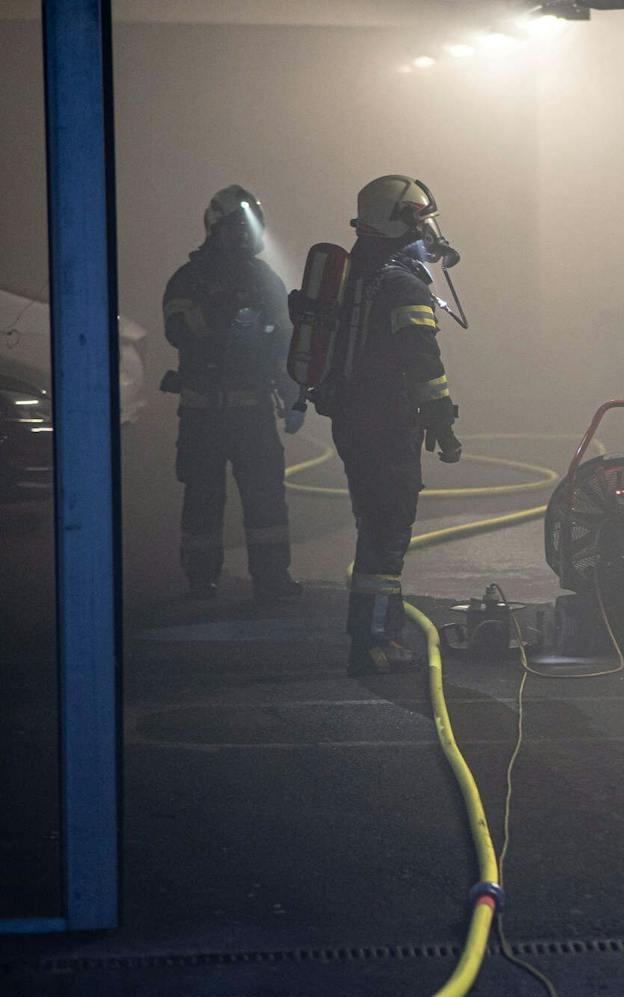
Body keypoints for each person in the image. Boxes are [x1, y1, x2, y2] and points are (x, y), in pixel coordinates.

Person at [301, 175, 463, 676]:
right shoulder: (401, 283)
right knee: (387, 531)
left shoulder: (356, 273)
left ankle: (374, 632)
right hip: (386, 424)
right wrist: (442, 420)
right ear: (397, 221)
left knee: (373, 525)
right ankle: (375, 640)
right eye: (419, 221)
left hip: (352, 419)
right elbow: (422, 360)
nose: (427, 233)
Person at [161, 185, 302, 601]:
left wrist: (293, 396)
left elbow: (284, 345)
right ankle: (201, 579)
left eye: (248, 228)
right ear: (214, 228)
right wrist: (217, 311)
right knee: (203, 499)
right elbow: (178, 331)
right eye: (234, 228)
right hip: (203, 412)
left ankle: (273, 579)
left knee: (267, 500)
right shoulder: (189, 279)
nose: (242, 236)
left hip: (253, 411)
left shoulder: (265, 278)